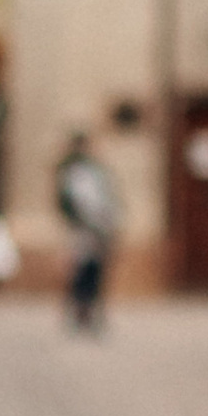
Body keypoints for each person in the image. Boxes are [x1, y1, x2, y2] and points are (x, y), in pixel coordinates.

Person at [56, 129, 120, 332]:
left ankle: (90, 313)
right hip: (83, 228)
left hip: (99, 226)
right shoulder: (72, 171)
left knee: (95, 271)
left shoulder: (95, 170)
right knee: (81, 271)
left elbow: (106, 198)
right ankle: (80, 314)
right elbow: (75, 203)